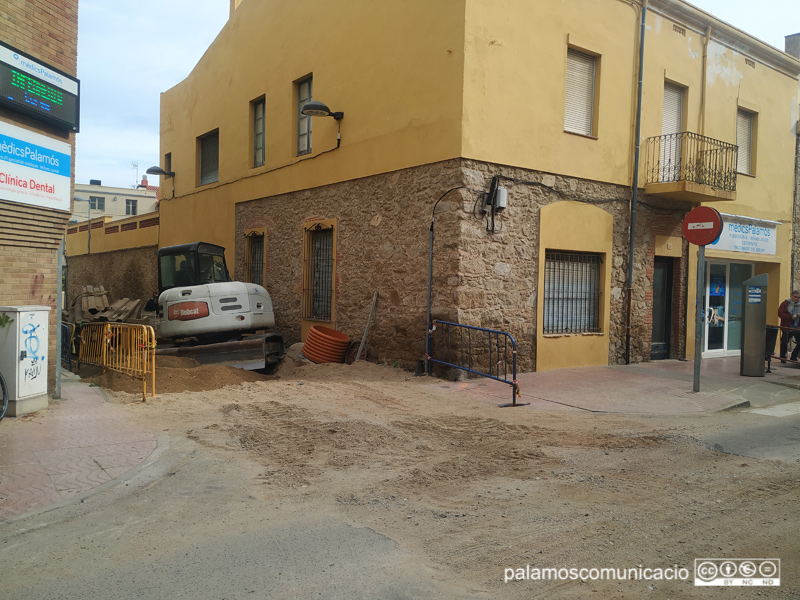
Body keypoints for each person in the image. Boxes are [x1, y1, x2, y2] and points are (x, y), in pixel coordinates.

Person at [777, 290, 800, 362]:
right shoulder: (785, 303)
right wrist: (790, 316)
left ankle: (794, 356)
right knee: (784, 342)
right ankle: (783, 357)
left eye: (798, 297)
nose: (797, 299)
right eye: (795, 297)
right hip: (787, 326)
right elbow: (780, 313)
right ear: (792, 296)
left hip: (797, 327)